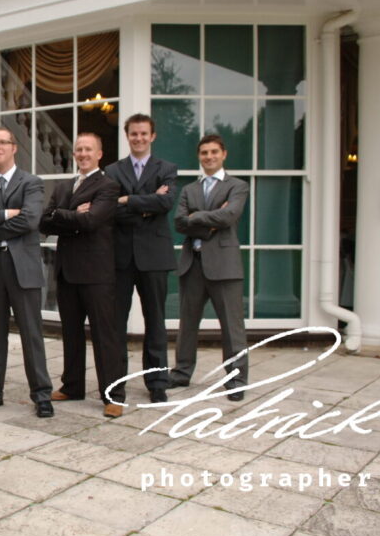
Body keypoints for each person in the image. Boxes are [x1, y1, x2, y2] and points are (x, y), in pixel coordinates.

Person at [0, 126, 54, 418]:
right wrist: (5, 214)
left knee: (31, 333)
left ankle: (42, 394)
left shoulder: (31, 182)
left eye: (3, 142)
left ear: (14, 147)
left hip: (23, 266)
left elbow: (30, 220)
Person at [41, 133, 123, 417]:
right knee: (71, 334)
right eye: (79, 149)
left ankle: (113, 395)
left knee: (105, 337)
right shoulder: (64, 186)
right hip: (67, 272)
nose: (83, 153)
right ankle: (72, 386)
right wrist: (72, 213)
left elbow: (92, 221)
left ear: (99, 154)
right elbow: (43, 222)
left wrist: (62, 216)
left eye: (89, 149)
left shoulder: (109, 186)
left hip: (97, 274)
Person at [171, 134, 249, 401]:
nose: (209, 157)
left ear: (224, 154)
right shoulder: (189, 190)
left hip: (225, 267)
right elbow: (179, 223)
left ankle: (236, 380)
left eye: (214, 152)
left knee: (232, 326)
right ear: (199, 157)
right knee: (187, 324)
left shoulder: (237, 186)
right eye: (204, 153)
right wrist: (209, 222)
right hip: (192, 265)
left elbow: (230, 215)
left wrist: (197, 218)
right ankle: (181, 372)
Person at [106, 114, 177, 404]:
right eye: (134, 134)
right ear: (127, 136)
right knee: (116, 324)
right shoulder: (112, 170)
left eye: (143, 134)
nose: (138, 138)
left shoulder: (167, 169)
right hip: (120, 257)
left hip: (155, 257)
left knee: (156, 322)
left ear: (153, 136)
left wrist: (129, 200)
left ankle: (157, 382)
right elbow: (110, 209)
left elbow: (166, 203)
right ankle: (117, 384)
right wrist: (145, 204)